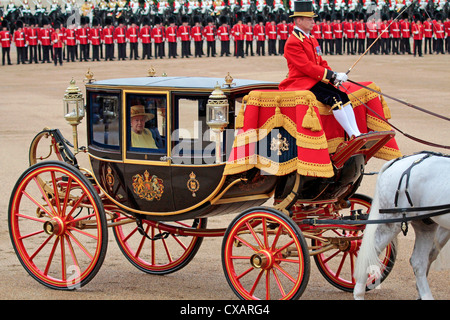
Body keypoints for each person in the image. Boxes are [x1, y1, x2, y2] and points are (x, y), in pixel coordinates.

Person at [279, 0, 361, 139]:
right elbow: (306, 67)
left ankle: (357, 132)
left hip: (315, 80)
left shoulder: (311, 39)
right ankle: (352, 133)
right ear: (299, 20)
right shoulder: (293, 42)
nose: (313, 22)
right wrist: (331, 75)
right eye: (310, 19)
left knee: (343, 96)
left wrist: (335, 76)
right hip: (302, 82)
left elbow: (320, 61)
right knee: (334, 98)